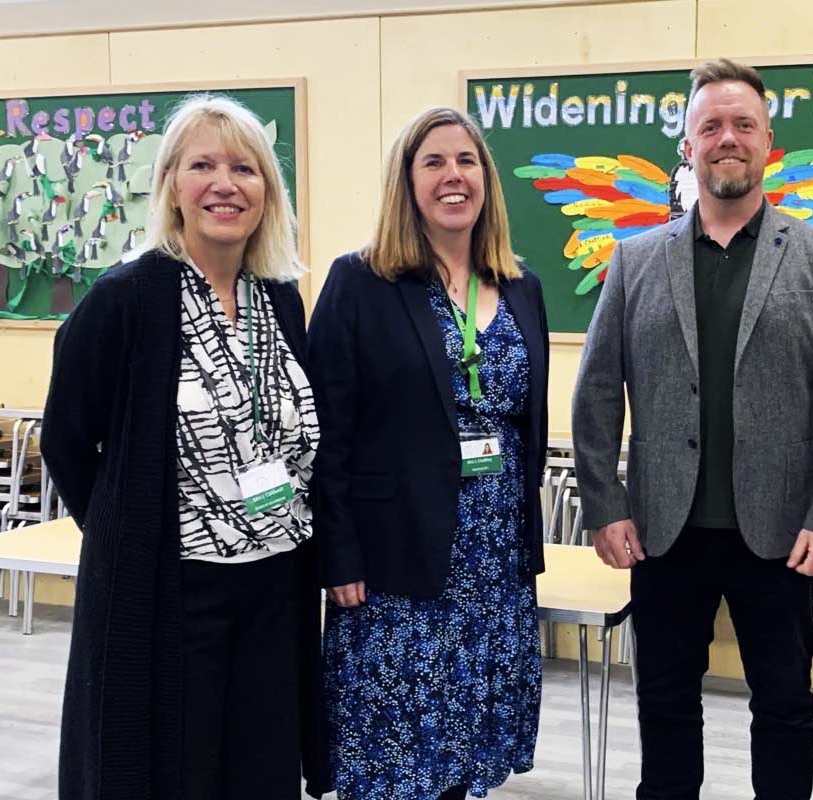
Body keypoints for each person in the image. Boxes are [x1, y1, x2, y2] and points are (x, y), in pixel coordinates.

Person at [572, 58, 813, 800]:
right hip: (663, 530)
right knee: (664, 703)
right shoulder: (636, 259)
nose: (727, 138)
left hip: (782, 534)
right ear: (688, 145)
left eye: (743, 124)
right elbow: (595, 392)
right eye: (711, 126)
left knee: (784, 706)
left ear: (769, 141)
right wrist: (605, 505)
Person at [42, 94, 328, 800]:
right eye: (202, 165)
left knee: (260, 772)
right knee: (174, 773)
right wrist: (126, 533)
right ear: (171, 183)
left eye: (244, 168)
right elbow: (66, 440)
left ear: (268, 190)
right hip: (171, 593)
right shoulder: (125, 299)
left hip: (274, 587)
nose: (224, 184)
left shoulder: (280, 297)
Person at [309, 107, 550, 800]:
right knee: (394, 760)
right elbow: (328, 431)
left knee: (465, 758)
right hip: (395, 571)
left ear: (486, 179)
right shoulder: (362, 282)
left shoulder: (522, 285)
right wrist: (340, 553)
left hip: (494, 568)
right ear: (406, 182)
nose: (454, 176)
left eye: (467, 161)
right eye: (434, 162)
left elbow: (525, 423)